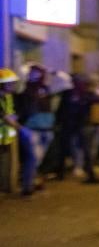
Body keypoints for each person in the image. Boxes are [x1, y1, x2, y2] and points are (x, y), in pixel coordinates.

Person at [15, 64, 54, 194]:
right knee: (32, 158)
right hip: (32, 128)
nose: (35, 75)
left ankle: (33, 182)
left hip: (46, 127)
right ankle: (27, 187)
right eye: (32, 73)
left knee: (37, 159)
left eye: (37, 73)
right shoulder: (25, 89)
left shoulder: (45, 89)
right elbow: (23, 108)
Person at [55, 74, 99, 182]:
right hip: (68, 124)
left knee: (86, 149)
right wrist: (59, 121)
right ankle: (61, 172)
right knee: (64, 149)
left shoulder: (85, 94)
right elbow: (61, 108)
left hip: (80, 125)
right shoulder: (68, 93)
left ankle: (90, 172)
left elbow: (98, 99)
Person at [0, 69, 24, 195]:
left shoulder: (8, 97)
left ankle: (7, 187)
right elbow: (5, 116)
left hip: (7, 136)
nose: (12, 85)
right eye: (10, 83)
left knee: (6, 163)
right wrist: (20, 127)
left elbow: (11, 113)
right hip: (3, 135)